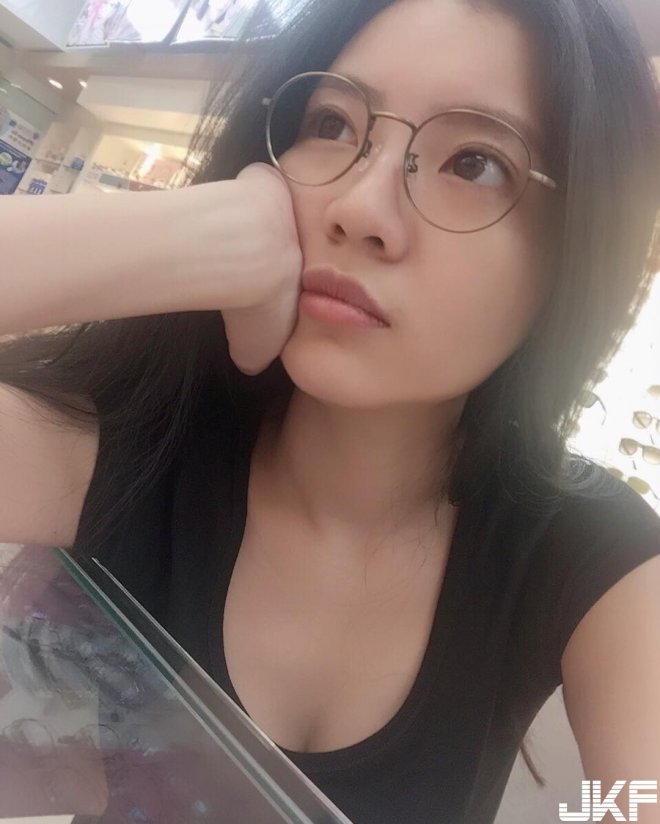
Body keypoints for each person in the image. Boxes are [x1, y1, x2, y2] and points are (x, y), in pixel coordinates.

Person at [0, 0, 659, 822]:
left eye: (475, 163)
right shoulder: (139, 448)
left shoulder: (591, 556)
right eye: (333, 124)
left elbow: (634, 798)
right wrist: (182, 234)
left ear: (575, 253)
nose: (359, 207)